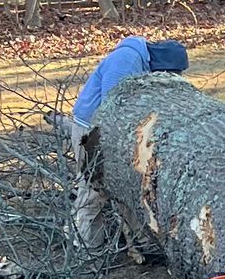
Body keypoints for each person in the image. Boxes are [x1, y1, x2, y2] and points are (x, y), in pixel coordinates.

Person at [68, 34, 190, 249]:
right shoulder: (126, 60)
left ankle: (142, 242)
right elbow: (112, 106)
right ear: (160, 65)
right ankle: (86, 245)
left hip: (118, 131)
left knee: (131, 185)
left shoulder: (142, 62)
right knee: (93, 188)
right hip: (93, 130)